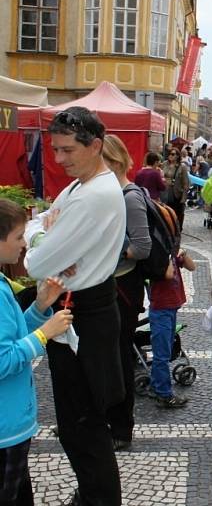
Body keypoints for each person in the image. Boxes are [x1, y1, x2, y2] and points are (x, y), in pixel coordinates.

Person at [24, 106, 126, 506]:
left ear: (95, 145)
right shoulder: (81, 186)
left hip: (83, 310)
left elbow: (36, 263)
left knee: (83, 424)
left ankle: (99, 499)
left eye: (67, 150)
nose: (59, 159)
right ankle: (93, 494)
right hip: (76, 306)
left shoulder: (92, 195)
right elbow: (40, 221)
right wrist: (42, 233)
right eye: (56, 149)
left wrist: (40, 241)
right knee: (77, 421)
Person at [0, 199, 72, 506]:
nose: (23, 246)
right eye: (18, 237)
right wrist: (46, 333)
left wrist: (41, 306)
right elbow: (4, 360)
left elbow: (14, 336)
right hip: (6, 430)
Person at [102, 135, 151, 452]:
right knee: (107, 357)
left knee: (120, 357)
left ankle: (122, 427)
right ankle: (108, 420)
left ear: (115, 161)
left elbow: (142, 247)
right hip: (110, 284)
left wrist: (111, 253)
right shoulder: (109, 194)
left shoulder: (129, 197)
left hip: (124, 286)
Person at [148, 248, 195, 408]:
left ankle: (156, 386)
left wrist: (184, 253)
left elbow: (192, 266)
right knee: (161, 355)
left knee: (165, 352)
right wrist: (169, 255)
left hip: (171, 307)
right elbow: (167, 275)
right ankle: (164, 394)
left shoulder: (171, 252)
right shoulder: (158, 257)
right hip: (161, 309)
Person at [162, 147, 190, 230]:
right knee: (165, 213)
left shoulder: (182, 166)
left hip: (176, 193)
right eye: (169, 153)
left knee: (176, 213)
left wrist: (183, 199)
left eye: (173, 154)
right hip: (164, 192)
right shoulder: (164, 164)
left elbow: (186, 183)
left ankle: (176, 230)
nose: (170, 156)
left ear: (178, 156)